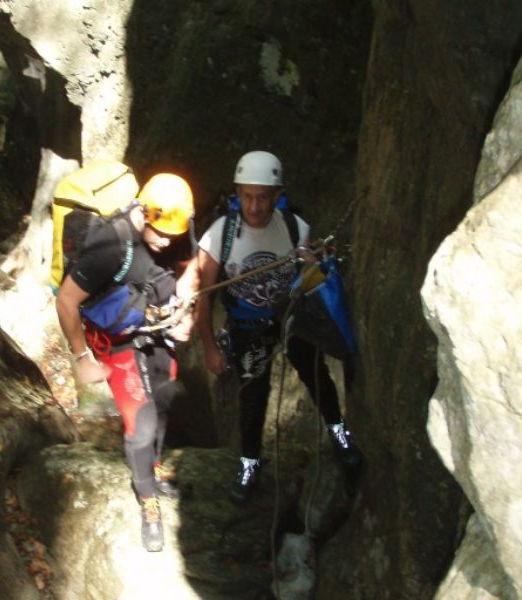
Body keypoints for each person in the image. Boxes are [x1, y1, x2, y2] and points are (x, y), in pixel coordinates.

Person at [195, 150, 358, 503]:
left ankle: (340, 433)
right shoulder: (220, 235)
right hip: (247, 328)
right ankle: (250, 463)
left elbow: (309, 282)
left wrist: (313, 264)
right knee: (253, 398)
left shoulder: (295, 228)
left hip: (290, 320)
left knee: (317, 378)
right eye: (247, 197)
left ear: (276, 195)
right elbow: (204, 296)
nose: (254, 207)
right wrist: (209, 347)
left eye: (263, 198)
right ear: (237, 194)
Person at [55, 172, 197, 552]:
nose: (168, 241)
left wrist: (185, 313)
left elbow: (183, 269)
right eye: (161, 234)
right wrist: (81, 357)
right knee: (142, 422)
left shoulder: (175, 224)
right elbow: (66, 301)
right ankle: (147, 503)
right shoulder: (110, 247)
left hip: (154, 329)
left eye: (174, 235)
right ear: (145, 214)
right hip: (118, 342)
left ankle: (151, 470)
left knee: (165, 401)